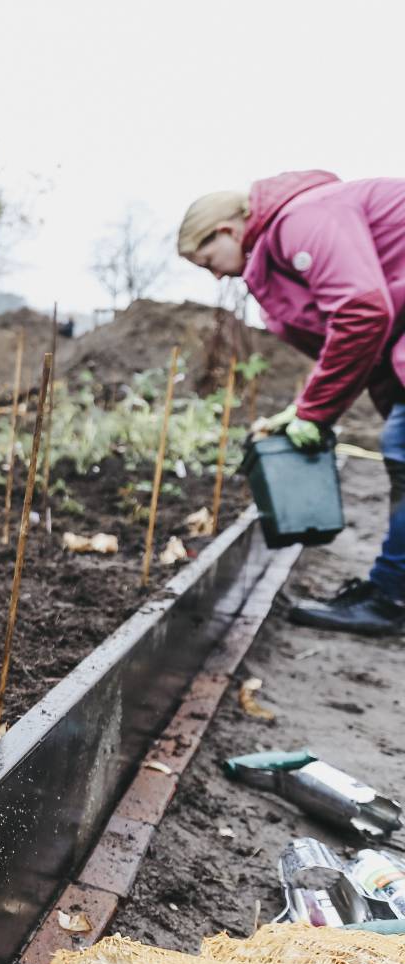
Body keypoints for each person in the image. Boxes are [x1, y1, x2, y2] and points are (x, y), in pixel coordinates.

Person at [178, 170, 405, 635]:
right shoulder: (287, 243)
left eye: (208, 261)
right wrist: (311, 408)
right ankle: (391, 590)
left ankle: (390, 598)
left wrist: (316, 411)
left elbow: (362, 312)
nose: (216, 273)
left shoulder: (301, 220)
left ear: (228, 230)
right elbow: (375, 341)